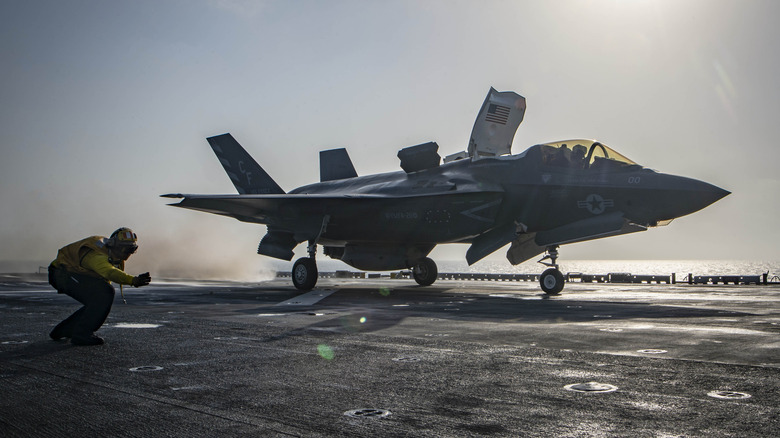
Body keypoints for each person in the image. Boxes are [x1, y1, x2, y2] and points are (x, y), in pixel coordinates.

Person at [48, 227, 151, 346]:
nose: (128, 253)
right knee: (104, 294)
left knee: (99, 299)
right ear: (114, 245)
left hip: (71, 273)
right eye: (125, 248)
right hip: (62, 274)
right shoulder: (97, 254)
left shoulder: (113, 255)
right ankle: (82, 334)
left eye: (132, 249)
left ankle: (65, 330)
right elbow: (109, 272)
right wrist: (133, 280)